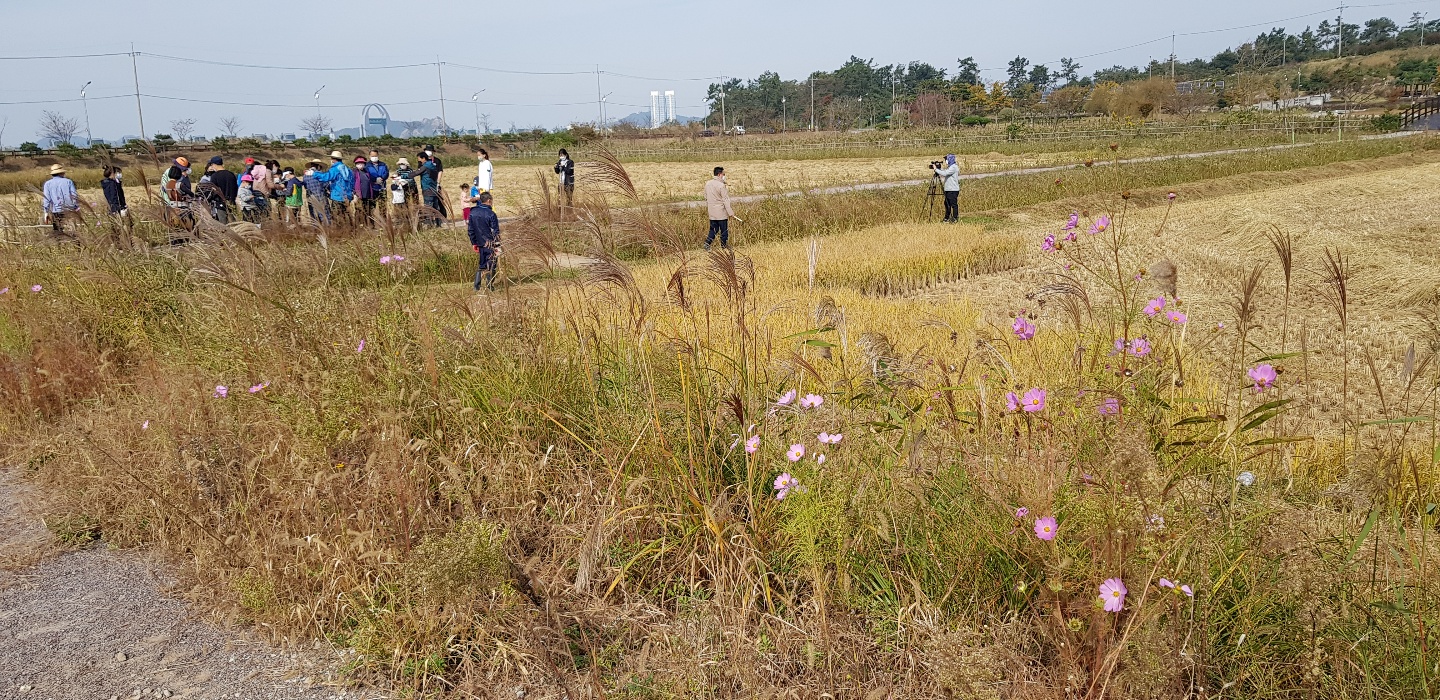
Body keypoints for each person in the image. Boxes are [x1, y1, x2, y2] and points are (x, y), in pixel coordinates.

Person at [467, 191, 500, 291]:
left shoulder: (472, 212)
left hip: (480, 243)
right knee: (492, 264)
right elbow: (495, 231)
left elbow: (470, 230)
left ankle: (476, 287)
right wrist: (497, 245)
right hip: (490, 243)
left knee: (482, 264)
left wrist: (474, 243)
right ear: (489, 201)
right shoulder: (491, 214)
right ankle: (490, 285)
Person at [309, 150, 355, 221]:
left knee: (337, 216)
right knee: (347, 215)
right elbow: (352, 181)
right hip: (347, 196)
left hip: (337, 196)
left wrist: (314, 174)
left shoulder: (335, 169)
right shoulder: (347, 169)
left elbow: (326, 177)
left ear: (333, 159)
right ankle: (351, 229)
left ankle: (341, 231)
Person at [703, 166, 742, 250]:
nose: (725, 176)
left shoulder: (708, 183)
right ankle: (724, 246)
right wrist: (730, 212)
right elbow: (725, 200)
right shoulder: (721, 186)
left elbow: (705, 196)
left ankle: (707, 243)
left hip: (712, 212)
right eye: (724, 174)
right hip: (721, 212)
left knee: (713, 229)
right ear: (720, 174)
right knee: (724, 230)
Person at [40, 164, 79, 234]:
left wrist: (46, 212)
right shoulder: (68, 182)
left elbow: (46, 199)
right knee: (72, 231)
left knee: (58, 232)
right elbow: (74, 196)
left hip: (56, 211)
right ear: (61, 173)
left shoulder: (47, 184)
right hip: (69, 210)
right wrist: (76, 207)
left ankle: (60, 244)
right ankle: (75, 244)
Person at [413, 151, 441, 227]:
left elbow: (415, 173)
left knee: (428, 208)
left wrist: (402, 176)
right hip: (434, 188)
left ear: (423, 158)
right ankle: (439, 224)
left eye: (419, 159)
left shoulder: (425, 166)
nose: (419, 161)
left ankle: (430, 225)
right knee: (436, 207)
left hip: (427, 189)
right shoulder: (432, 165)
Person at [302, 159, 331, 225]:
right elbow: (326, 185)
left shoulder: (305, 176)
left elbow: (305, 187)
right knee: (325, 215)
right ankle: (328, 230)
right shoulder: (320, 174)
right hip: (320, 196)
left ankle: (316, 230)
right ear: (318, 166)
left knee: (314, 216)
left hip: (310, 197)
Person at [934, 154, 960, 223]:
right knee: (947, 204)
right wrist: (939, 169)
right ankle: (947, 218)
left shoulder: (954, 167)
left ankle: (955, 218)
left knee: (953, 204)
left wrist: (936, 169)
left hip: (953, 190)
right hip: (948, 189)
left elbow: (945, 173)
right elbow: (945, 171)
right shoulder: (950, 167)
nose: (946, 161)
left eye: (946, 159)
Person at [423, 144, 446, 217]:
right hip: (427, 185)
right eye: (427, 150)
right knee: (428, 203)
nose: (428, 152)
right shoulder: (423, 161)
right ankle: (429, 219)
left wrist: (438, 182)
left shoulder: (437, 160)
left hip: (435, 184)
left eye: (430, 150)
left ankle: (439, 218)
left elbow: (440, 171)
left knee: (438, 202)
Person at [353, 156, 376, 223]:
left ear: (364, 164)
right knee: (359, 210)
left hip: (367, 195)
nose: (360, 165)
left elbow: (371, 181)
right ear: (356, 164)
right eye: (358, 164)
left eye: (362, 163)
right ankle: (358, 225)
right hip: (359, 195)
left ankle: (368, 224)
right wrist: (354, 193)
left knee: (368, 210)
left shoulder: (367, 172)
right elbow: (352, 183)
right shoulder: (354, 172)